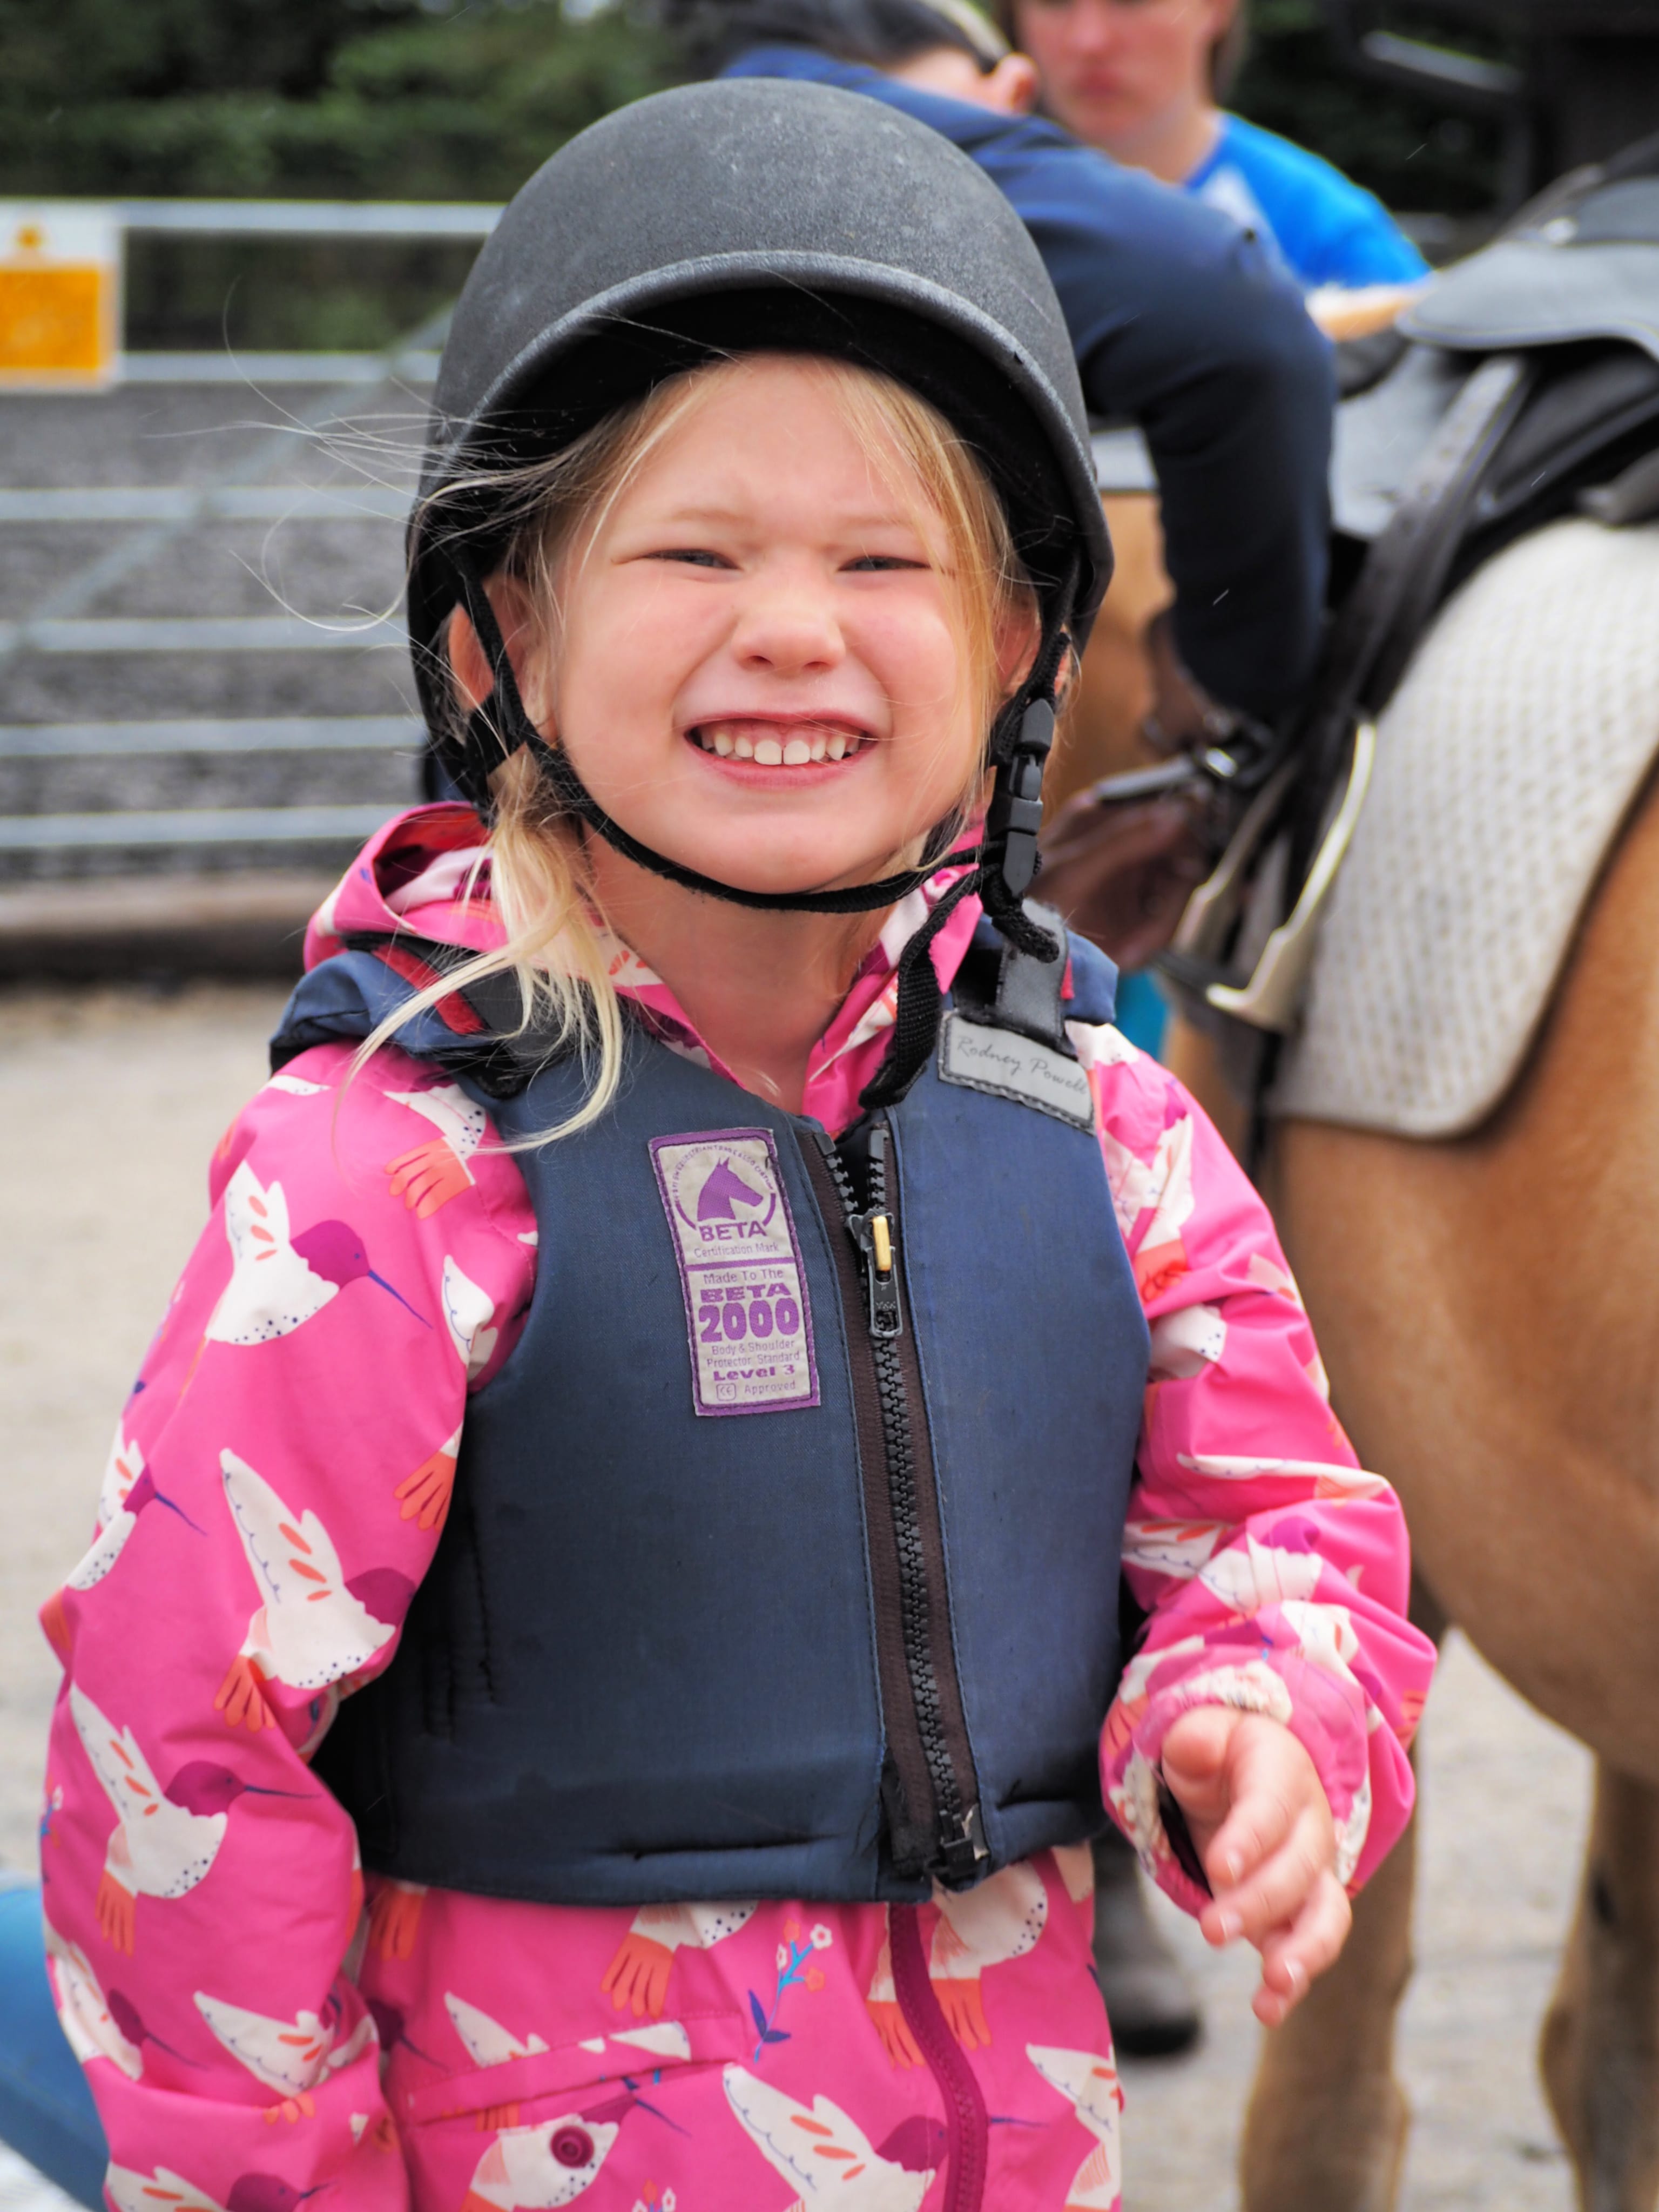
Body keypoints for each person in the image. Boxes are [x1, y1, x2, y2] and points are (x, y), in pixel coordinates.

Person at [23, 82, 1434, 2211]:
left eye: (886, 563)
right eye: (695, 554)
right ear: (507, 636)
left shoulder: (1106, 1136)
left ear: (1022, 648)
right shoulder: (389, 1176)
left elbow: (1291, 1523)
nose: (794, 624)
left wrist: (1263, 1709)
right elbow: (183, 1758)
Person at [1000, 0, 1429, 298]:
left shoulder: (1329, 234)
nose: (1088, 40)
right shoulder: (970, 207)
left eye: (1130, 0)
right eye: (1052, 1)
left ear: (1216, 8)